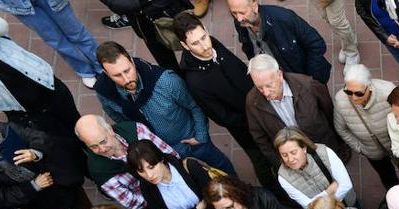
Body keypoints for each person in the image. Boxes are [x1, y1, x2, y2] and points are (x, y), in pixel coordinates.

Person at [174, 12, 280, 197]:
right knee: (261, 160)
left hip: (260, 105)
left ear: (206, 30)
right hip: (245, 126)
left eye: (204, 37)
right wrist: (253, 119)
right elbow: (222, 117)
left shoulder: (213, 43)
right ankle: (276, 192)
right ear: (184, 45)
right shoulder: (195, 81)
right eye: (195, 43)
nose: (204, 46)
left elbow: (238, 67)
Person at [93, 41, 234, 174]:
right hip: (158, 151)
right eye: (117, 75)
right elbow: (119, 119)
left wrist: (200, 136)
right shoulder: (104, 92)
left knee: (219, 164)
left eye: (127, 70)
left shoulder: (166, 81)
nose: (126, 79)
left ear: (131, 60)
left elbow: (195, 105)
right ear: (106, 74)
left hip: (191, 140)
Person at [245, 55, 350, 170]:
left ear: (279, 75)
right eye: (259, 88)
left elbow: (329, 111)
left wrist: (339, 143)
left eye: (269, 85)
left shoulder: (308, 85)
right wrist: (281, 165)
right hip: (293, 163)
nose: (265, 92)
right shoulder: (252, 102)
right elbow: (261, 139)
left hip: (323, 147)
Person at [0, 14, 82, 141]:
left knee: (77, 125)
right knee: (58, 142)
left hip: (48, 87)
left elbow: (2, 27)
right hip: (24, 112)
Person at [75, 114, 177, 209]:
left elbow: (170, 155)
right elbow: (132, 202)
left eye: (103, 141)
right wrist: (161, 199)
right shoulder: (99, 171)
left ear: (110, 130)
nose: (102, 149)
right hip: (155, 203)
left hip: (173, 178)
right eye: (93, 146)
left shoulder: (136, 130)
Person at [0, 0, 99, 85]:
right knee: (57, 41)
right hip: (17, 5)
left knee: (77, 32)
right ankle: (84, 70)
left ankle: (100, 62)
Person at [227, 0, 331, 83]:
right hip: (276, 79)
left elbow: (317, 44)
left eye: (242, 12)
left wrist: (312, 80)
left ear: (254, 6)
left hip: (300, 77)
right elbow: (248, 46)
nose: (239, 18)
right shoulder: (240, 22)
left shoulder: (284, 18)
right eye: (234, 13)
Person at [333, 63, 399, 189]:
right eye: (348, 91)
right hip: (372, 152)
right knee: (388, 179)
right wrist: (360, 148)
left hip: (397, 146)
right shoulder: (340, 99)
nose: (353, 97)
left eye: (358, 93)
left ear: (369, 86)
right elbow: (341, 129)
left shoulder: (388, 91)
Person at [274, 126, 354, 209]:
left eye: (293, 152)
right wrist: (328, 191)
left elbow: (346, 185)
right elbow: (307, 206)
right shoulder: (283, 177)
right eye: (284, 155)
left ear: (304, 148)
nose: (290, 159)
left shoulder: (324, 152)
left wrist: (319, 205)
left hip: (348, 204)